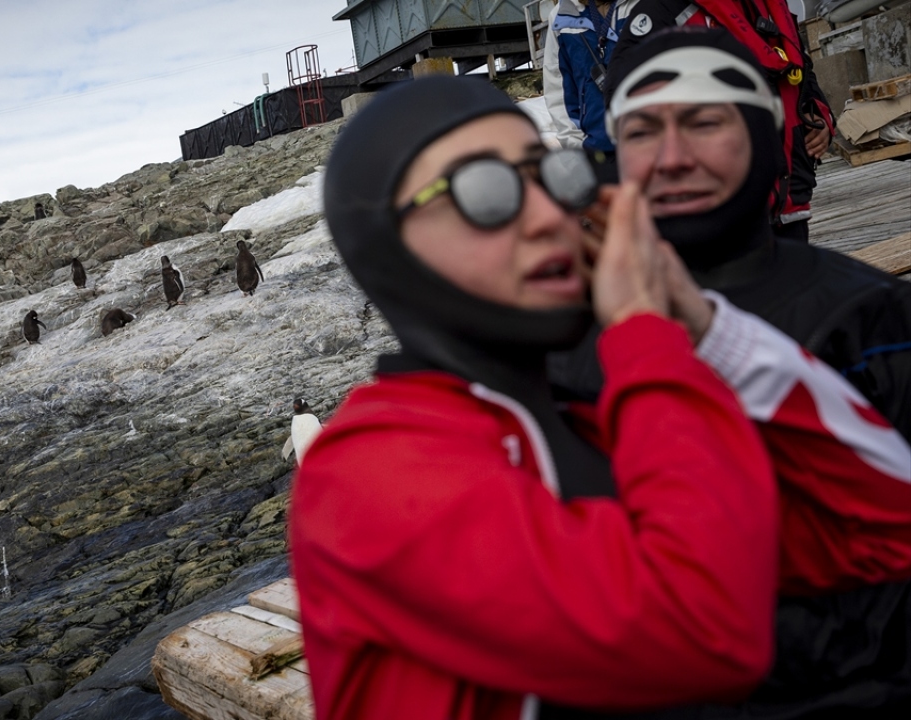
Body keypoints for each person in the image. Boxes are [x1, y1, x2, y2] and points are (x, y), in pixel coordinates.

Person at [292, 74, 784, 719]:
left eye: (552, 176)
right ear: (387, 247)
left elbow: (879, 531)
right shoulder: (364, 476)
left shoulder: (585, 416)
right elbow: (706, 629)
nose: (552, 216)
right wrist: (644, 332)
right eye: (485, 192)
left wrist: (706, 330)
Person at [551, 27, 911, 714]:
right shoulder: (558, 347)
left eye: (704, 122)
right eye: (643, 132)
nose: (673, 158)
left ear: (762, 133)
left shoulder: (873, 317)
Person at [612, 0, 834, 242]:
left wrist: (820, 114)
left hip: (790, 196)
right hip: (719, 214)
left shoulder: (771, 4)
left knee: (795, 275)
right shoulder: (665, 9)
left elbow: (799, 64)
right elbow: (623, 95)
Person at [543, 0, 641, 181]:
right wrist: (576, 157)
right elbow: (558, 89)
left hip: (652, 149)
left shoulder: (648, 6)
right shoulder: (562, 17)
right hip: (597, 155)